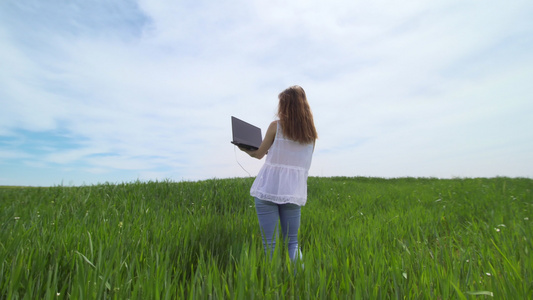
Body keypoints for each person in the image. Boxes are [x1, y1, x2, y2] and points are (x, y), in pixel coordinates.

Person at [238, 85, 317, 261]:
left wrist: (244, 148)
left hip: (268, 190)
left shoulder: (276, 127)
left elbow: (258, 154)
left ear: (285, 106)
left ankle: (271, 283)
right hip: (292, 193)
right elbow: (296, 161)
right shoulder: (311, 136)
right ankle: (299, 282)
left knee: (270, 245)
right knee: (293, 244)